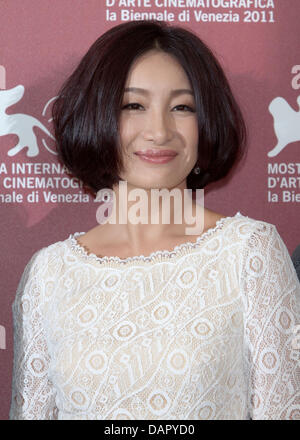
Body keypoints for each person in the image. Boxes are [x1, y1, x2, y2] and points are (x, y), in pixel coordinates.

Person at [9, 20, 300, 420]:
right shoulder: (49, 274)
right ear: (97, 116)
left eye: (182, 107)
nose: (159, 131)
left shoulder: (249, 253)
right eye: (134, 106)